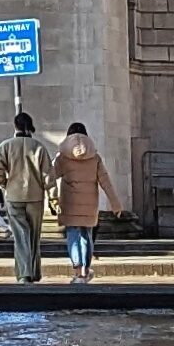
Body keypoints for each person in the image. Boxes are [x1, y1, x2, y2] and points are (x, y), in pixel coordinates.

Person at [0, 111, 55, 283]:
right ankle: (33, 272)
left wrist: (5, 184)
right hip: (35, 196)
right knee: (34, 236)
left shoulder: (5, 146)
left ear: (14, 126)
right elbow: (49, 176)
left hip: (14, 195)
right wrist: (54, 199)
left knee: (20, 236)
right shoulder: (39, 147)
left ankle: (24, 273)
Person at [51, 121, 122, 284]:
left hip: (69, 203)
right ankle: (85, 270)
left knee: (73, 235)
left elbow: (51, 176)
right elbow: (106, 182)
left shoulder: (62, 157)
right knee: (86, 235)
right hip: (90, 203)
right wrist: (115, 204)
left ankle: (77, 272)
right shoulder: (95, 157)